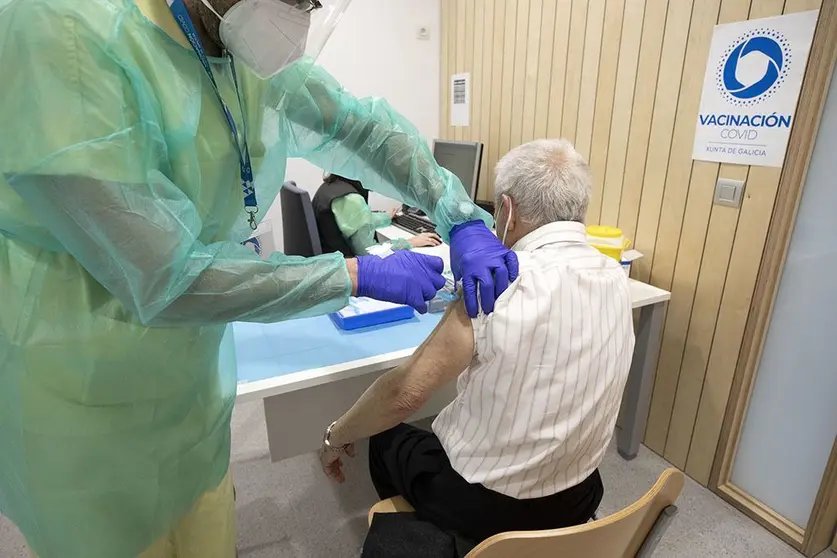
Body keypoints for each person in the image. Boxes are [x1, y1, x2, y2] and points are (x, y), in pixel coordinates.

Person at [0, 0, 518, 557]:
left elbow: (358, 127)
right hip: (80, 396)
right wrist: (353, 273)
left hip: (192, 384)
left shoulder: (233, 46)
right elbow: (165, 277)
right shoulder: (64, 27)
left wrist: (456, 212)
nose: (300, 13)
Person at [320, 139, 636, 545]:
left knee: (387, 435)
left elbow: (403, 394)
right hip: (579, 492)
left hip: (490, 508)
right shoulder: (615, 276)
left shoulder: (496, 284)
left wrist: (336, 435)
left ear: (505, 211)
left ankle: (435, 539)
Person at [312, 173, 441, 257]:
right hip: (349, 272)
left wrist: (386, 217)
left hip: (331, 263)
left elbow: (354, 221)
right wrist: (410, 242)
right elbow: (369, 253)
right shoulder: (351, 199)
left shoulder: (332, 186)